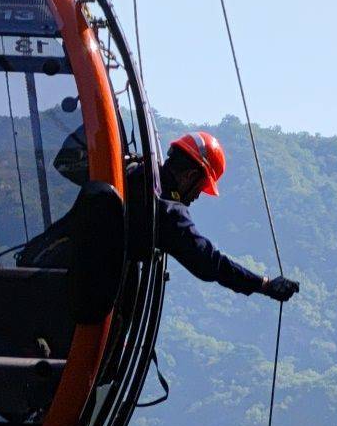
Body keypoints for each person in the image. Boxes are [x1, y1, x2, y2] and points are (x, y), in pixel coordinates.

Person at [29, 128, 299, 304]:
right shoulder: (166, 210)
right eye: (200, 189)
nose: (196, 197)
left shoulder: (129, 169)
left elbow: (65, 162)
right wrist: (263, 285)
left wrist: (104, 132)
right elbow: (208, 262)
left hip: (40, 264)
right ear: (190, 176)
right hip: (71, 295)